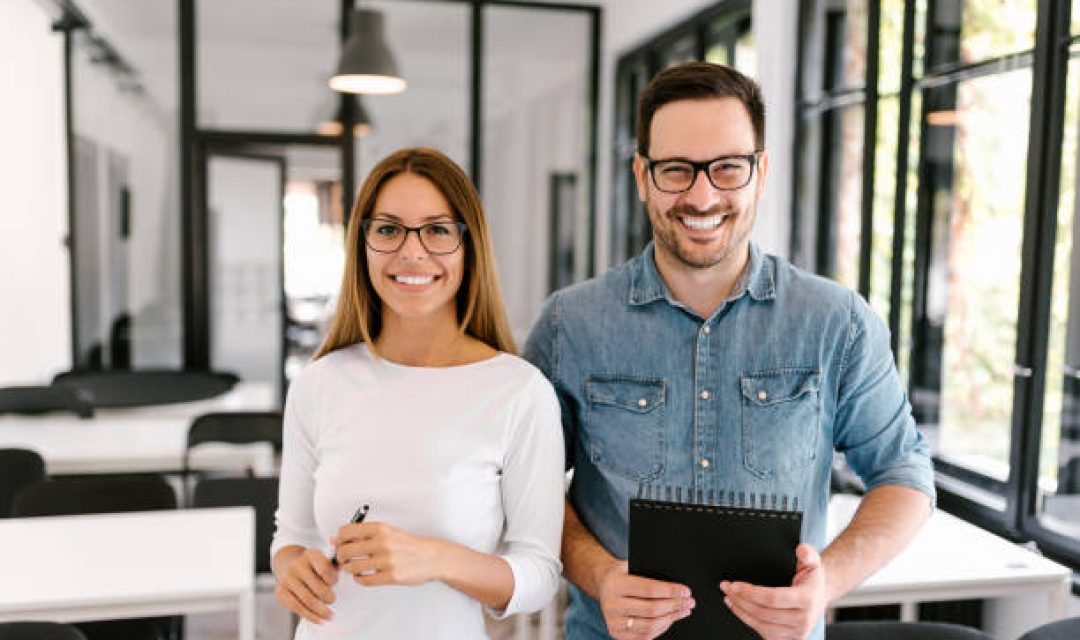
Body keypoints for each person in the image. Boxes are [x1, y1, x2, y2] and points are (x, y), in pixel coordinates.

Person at [524, 62, 935, 640]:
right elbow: (528, 486)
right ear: (642, 176)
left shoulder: (836, 323)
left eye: (727, 168)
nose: (701, 195)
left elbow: (905, 472)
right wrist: (599, 574)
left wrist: (829, 582)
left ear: (760, 172)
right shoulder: (570, 326)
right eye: (676, 170)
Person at [272, 147, 565, 639]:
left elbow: (539, 576)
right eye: (388, 229)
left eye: (437, 230)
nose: (412, 252)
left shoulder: (518, 391)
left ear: (468, 244)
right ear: (362, 243)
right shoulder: (318, 384)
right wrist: (292, 570)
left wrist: (436, 558)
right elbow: (293, 539)